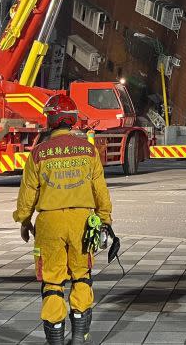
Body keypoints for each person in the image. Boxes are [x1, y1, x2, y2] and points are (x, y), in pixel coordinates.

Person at [14, 94, 113, 345]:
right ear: (73, 120)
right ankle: (79, 336)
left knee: (52, 281)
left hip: (49, 223)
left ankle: (56, 339)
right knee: (81, 276)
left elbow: (28, 192)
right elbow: (101, 190)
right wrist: (104, 220)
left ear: (51, 119)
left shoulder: (38, 153)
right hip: (82, 221)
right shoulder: (88, 151)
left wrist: (24, 220)